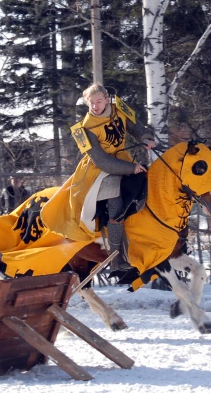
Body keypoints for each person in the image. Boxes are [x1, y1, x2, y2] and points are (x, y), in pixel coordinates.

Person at [40, 83, 155, 272]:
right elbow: (101, 160)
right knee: (116, 202)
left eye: (99, 101)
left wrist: (146, 138)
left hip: (125, 160)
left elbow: (136, 127)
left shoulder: (119, 107)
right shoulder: (83, 129)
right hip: (99, 170)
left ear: (106, 98)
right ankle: (116, 258)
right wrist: (131, 168)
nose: (95, 106)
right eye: (91, 103)